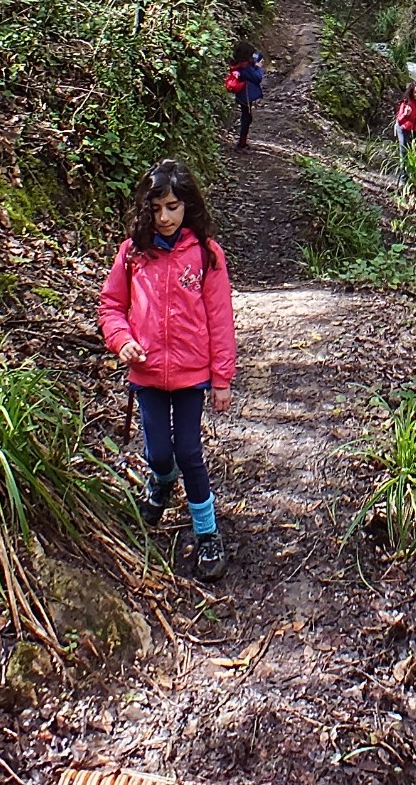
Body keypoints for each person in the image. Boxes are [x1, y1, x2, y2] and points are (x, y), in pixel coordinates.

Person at [98, 159, 237, 581]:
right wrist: (122, 340)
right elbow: (111, 306)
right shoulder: (133, 253)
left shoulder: (207, 255)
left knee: (189, 452)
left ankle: (207, 532)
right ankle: (161, 481)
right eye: (156, 207)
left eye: (173, 207)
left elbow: (220, 319)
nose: (164, 217)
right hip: (147, 374)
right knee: (159, 452)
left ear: (187, 206)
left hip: (192, 375)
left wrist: (222, 379)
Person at [225, 43, 264, 149]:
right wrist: (258, 67)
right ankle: (242, 143)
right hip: (246, 95)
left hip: (243, 95)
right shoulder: (247, 69)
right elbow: (258, 78)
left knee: (246, 116)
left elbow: (258, 55)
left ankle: (242, 141)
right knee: (247, 118)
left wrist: (255, 60)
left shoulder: (237, 65)